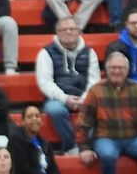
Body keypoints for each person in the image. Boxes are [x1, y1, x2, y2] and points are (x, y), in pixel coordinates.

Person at [35, 16, 100, 154]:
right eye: (64, 29)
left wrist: (84, 99)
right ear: (57, 32)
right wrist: (65, 99)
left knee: (97, 108)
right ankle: (71, 147)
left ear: (79, 31)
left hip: (84, 96)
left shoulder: (90, 52)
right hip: (57, 99)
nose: (68, 32)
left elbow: (95, 81)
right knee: (55, 110)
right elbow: (45, 83)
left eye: (72, 29)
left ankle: (89, 146)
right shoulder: (46, 52)